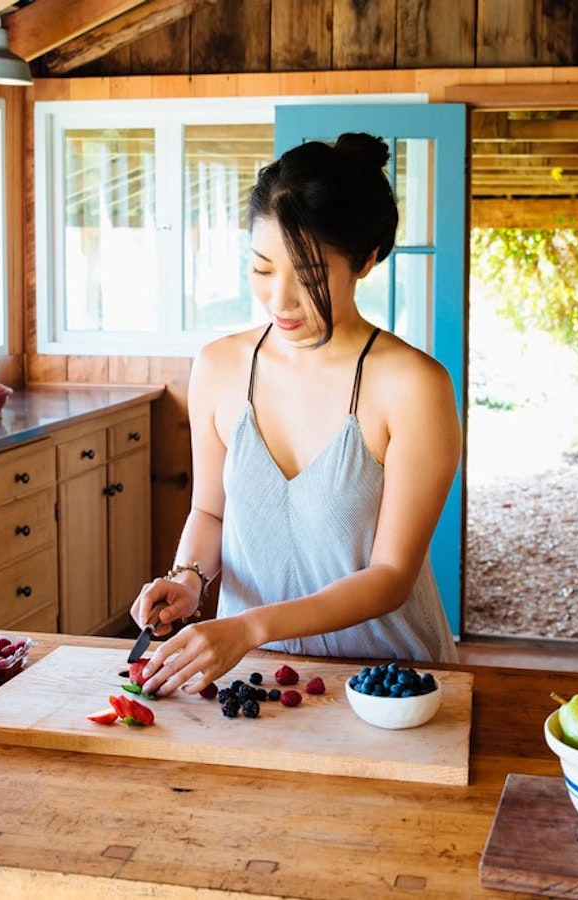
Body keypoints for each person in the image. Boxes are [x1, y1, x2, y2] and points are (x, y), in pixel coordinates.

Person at [130, 132, 461, 696]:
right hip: (249, 679)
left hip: (388, 688)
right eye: (262, 270)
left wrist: (250, 626)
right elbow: (210, 513)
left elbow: (390, 578)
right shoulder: (218, 367)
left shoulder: (414, 387)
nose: (280, 301)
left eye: (307, 277)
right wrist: (187, 578)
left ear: (367, 261)